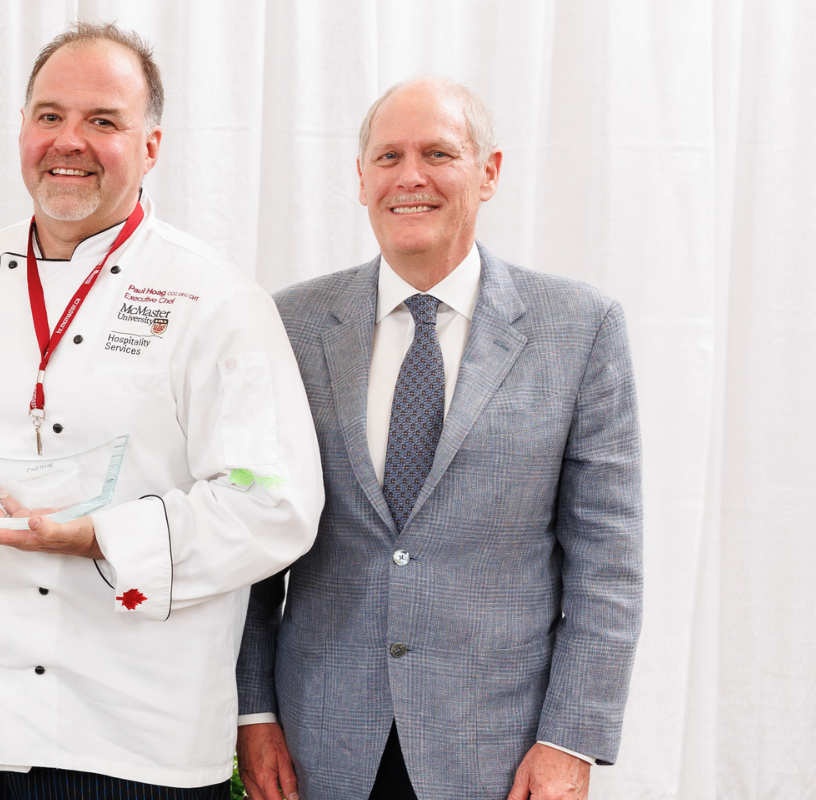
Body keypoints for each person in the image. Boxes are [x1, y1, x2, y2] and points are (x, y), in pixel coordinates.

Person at [0, 22, 323, 797]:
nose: (70, 141)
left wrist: (96, 536)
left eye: (104, 121)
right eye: (49, 116)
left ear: (152, 145)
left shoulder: (214, 297)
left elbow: (274, 504)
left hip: (135, 745)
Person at [235, 77, 642, 800]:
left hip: (499, 751)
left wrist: (570, 740)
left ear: (488, 172)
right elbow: (253, 544)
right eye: (388, 157)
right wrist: (254, 710)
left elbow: (606, 565)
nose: (409, 177)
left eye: (438, 153)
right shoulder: (290, 325)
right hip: (317, 745)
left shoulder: (580, 330)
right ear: (361, 179)